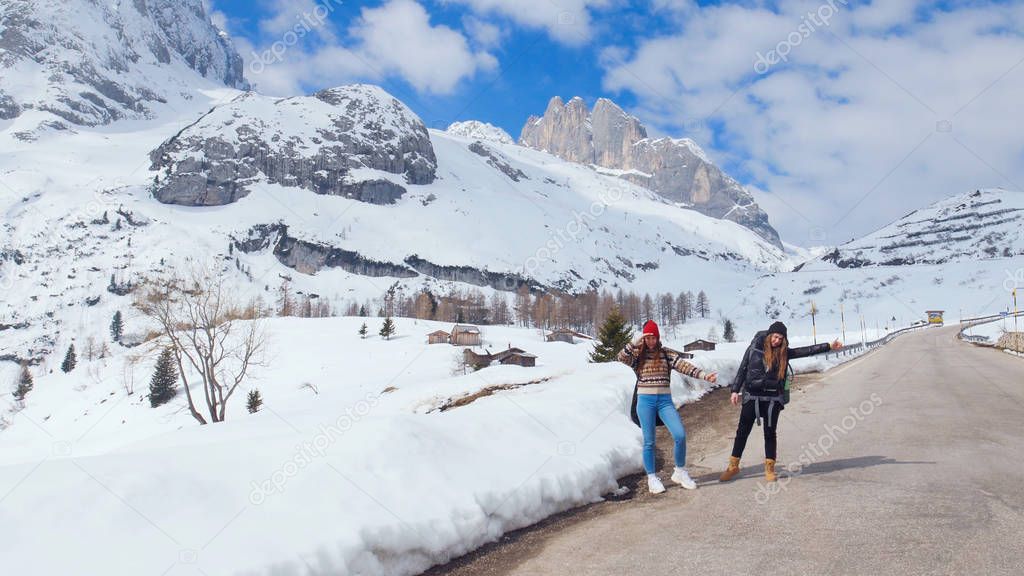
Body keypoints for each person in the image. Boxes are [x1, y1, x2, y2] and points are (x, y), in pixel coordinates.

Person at [719, 321, 841, 483]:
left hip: (772, 399)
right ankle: (733, 466)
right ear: (770, 335)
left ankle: (769, 468)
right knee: (742, 432)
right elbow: (742, 369)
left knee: (770, 433)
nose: (777, 341)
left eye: (781, 338)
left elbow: (805, 351)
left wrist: (829, 346)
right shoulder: (754, 348)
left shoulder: (783, 352)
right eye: (775, 337)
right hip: (751, 396)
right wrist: (735, 390)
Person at [619, 320, 718, 494]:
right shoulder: (638, 357)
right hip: (645, 402)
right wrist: (635, 342)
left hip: (664, 401)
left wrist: (704, 376)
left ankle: (679, 472)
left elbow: (685, 366)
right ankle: (652, 478)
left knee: (679, 435)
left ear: (658, 337)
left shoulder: (666, 354)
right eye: (647, 338)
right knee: (649, 441)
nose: (650, 341)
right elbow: (621, 357)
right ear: (643, 338)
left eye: (653, 337)